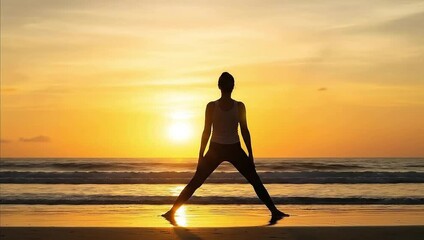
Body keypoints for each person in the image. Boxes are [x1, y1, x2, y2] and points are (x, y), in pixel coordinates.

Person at [162, 72, 289, 222]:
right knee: (252, 180)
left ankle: (172, 211)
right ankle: (274, 211)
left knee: (198, 181)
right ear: (233, 86)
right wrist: (250, 154)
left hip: (226, 148)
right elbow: (241, 131)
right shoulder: (224, 106)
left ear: (219, 86)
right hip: (224, 148)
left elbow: (213, 131)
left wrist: (201, 155)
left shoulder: (228, 106)